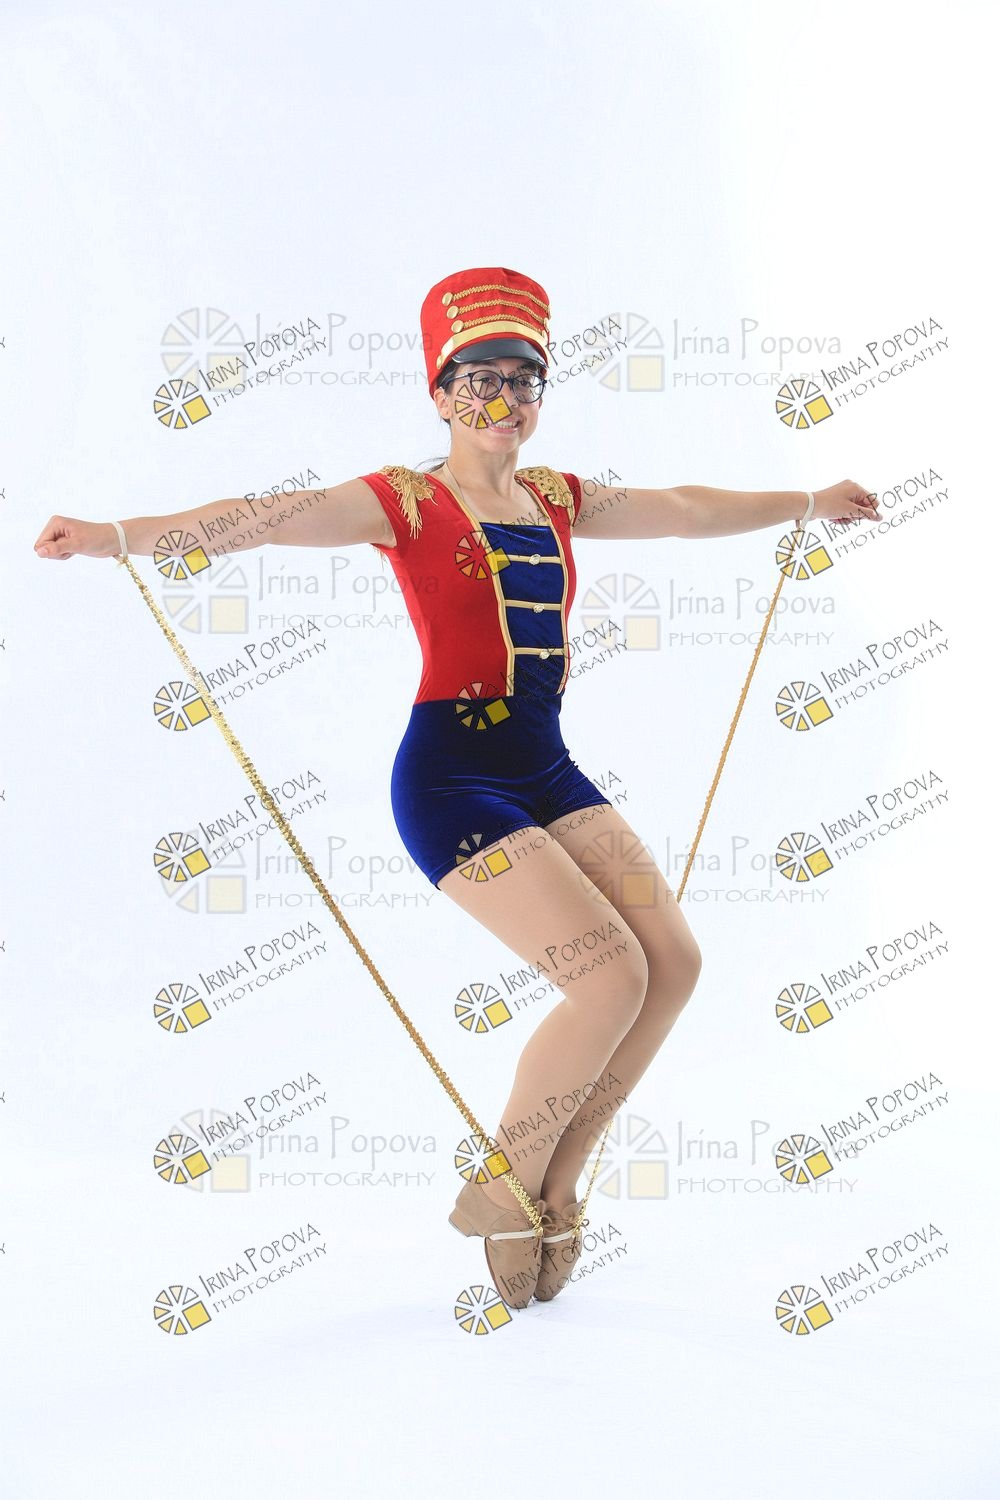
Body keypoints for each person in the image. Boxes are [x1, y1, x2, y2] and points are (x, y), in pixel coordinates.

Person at [33, 264, 880, 1310]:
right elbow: (265, 516)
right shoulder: (405, 500)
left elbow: (680, 509)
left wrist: (807, 502)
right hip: (450, 779)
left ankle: (555, 1187)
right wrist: (120, 536)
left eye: (524, 380)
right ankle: (505, 1187)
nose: (505, 399)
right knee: (606, 976)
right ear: (440, 393)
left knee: (672, 962)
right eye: (481, 379)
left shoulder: (558, 498)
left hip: (545, 766)